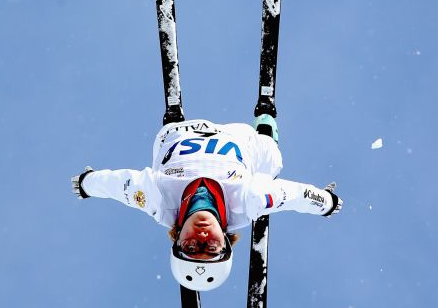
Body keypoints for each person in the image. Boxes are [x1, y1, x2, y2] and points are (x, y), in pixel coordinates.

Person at [71, 115, 342, 292]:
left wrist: (87, 183)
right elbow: (291, 195)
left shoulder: (158, 199)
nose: (201, 236)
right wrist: (324, 202)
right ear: (225, 241)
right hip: (240, 136)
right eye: (211, 247)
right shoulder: (249, 201)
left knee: (158, 152)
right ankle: (267, 128)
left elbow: (120, 185)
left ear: (176, 240)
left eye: (191, 246)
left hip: (178, 133)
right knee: (272, 160)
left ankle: (174, 117)